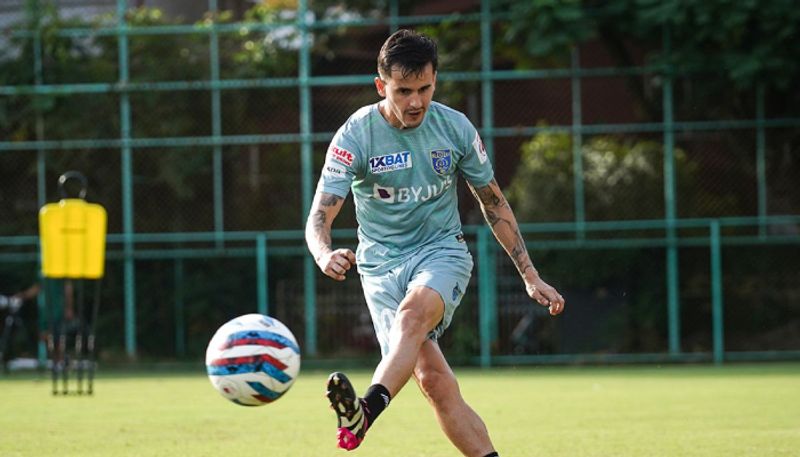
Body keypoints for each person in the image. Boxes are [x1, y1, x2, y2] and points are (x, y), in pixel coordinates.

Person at [305, 29, 565, 456]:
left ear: (435, 80)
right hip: (379, 266)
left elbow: (494, 203)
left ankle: (364, 412)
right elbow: (321, 213)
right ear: (380, 86)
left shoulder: (455, 128)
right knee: (434, 383)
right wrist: (323, 252)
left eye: (424, 88)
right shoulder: (355, 135)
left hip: (441, 251)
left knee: (411, 317)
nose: (415, 102)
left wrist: (530, 275)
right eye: (403, 90)